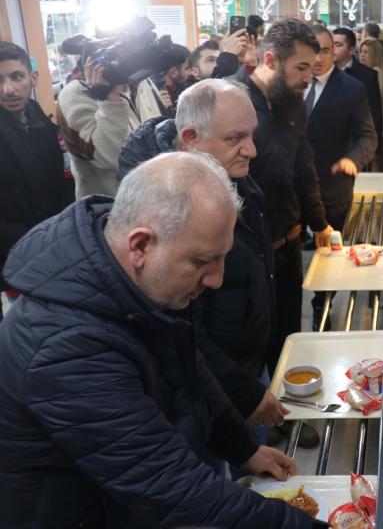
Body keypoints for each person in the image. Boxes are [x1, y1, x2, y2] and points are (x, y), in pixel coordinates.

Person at [0, 152, 324, 528]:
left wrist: (244, 447)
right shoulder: (65, 346)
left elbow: (189, 372)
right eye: (202, 262)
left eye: (222, 258)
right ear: (140, 246)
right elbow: (172, 487)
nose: (216, 279)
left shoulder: (143, 284)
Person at [118, 79, 291, 450]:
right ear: (191, 138)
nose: (252, 149)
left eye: (252, 134)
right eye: (236, 138)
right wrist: (244, 393)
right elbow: (182, 333)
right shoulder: (166, 211)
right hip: (207, 391)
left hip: (246, 365)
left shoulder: (231, 175)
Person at [236, 19, 332, 370]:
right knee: (251, 349)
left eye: (312, 67)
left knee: (288, 340)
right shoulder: (234, 104)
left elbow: (303, 168)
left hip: (288, 247)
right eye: (301, 68)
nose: (309, 77)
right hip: (247, 256)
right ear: (271, 60)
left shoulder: (292, 103)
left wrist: (319, 223)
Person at [306, 25, 377, 329]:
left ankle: (322, 304)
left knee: (328, 255)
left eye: (325, 50)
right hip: (292, 187)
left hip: (332, 188)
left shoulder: (351, 89)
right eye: (313, 51)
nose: (318, 58)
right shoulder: (290, 84)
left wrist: (353, 159)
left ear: (334, 51)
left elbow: (368, 136)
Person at [0, 41, 71, 320]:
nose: (8, 89)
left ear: (33, 77)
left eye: (16, 76)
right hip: (13, 256)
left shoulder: (43, 124)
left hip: (53, 248)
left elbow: (63, 184)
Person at [56, 54, 140, 198]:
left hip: (138, 197)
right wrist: (109, 98)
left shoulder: (121, 86)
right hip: (107, 205)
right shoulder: (73, 93)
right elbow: (109, 157)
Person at [333, 27, 383, 144]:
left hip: (356, 143)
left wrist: (375, 147)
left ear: (351, 50)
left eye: (338, 45)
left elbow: (375, 113)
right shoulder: (324, 73)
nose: (333, 49)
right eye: (331, 45)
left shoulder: (368, 75)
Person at [359, 38, 383, 170]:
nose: (362, 55)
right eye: (361, 52)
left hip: (379, 122)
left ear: (374, 55)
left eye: (366, 52)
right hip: (379, 121)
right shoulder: (377, 72)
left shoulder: (376, 73)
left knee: (376, 161)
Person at [135, 43, 190, 121]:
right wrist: (159, 106)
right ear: (173, 72)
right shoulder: (149, 93)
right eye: (187, 68)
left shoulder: (184, 90)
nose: (190, 72)